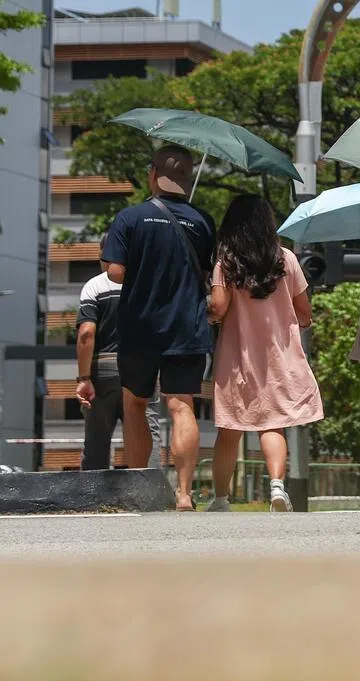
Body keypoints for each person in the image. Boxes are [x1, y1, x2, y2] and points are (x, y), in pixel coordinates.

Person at [101, 145, 216, 512]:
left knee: (135, 403)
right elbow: (211, 273)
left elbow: (114, 272)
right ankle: (184, 494)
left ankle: (139, 487)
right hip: (188, 327)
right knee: (182, 405)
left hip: (140, 327)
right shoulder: (202, 221)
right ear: (187, 177)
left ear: (153, 174)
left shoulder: (131, 217)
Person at [207, 194, 324, 513]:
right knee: (272, 425)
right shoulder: (286, 258)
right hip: (279, 357)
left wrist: (210, 312)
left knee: (229, 429)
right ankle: (277, 486)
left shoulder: (226, 264)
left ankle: (220, 499)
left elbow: (218, 307)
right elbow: (303, 310)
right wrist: (300, 320)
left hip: (238, 360)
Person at [74, 249, 162, 471]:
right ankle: (148, 494)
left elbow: (86, 334)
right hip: (141, 369)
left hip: (102, 371)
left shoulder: (94, 286)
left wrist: (84, 377)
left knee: (96, 441)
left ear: (103, 257)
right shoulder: (148, 284)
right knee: (146, 432)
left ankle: (94, 499)